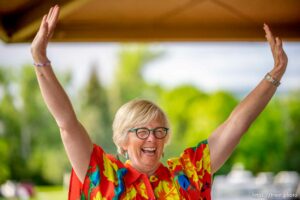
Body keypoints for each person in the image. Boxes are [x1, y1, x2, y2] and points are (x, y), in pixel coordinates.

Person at [30, 5, 288, 200]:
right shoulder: (105, 176)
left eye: (158, 131)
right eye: (141, 131)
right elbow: (66, 123)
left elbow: (236, 124)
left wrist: (274, 76)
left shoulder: (187, 175)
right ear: (122, 141)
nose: (152, 138)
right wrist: (40, 58)